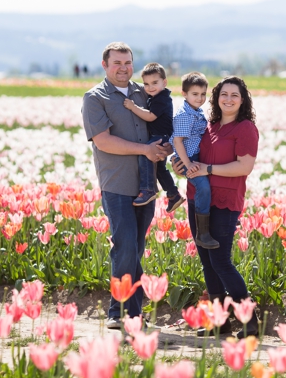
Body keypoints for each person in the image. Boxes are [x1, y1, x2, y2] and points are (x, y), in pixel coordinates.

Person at [81, 42, 171, 328]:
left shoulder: (143, 93)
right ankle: (118, 313)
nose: (123, 68)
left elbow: (160, 126)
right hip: (116, 182)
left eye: (128, 62)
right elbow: (103, 141)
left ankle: (133, 314)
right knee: (125, 246)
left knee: (136, 246)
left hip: (147, 183)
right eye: (117, 63)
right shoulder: (95, 98)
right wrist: (143, 150)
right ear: (105, 65)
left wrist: (166, 147)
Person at [177, 76, 260, 337]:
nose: (228, 99)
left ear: (243, 99)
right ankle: (219, 322)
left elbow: (244, 166)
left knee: (221, 260)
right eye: (224, 94)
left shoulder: (245, 128)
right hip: (197, 198)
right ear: (216, 97)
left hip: (225, 200)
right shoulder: (208, 125)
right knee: (206, 260)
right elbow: (194, 158)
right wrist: (182, 166)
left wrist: (208, 169)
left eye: (235, 95)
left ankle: (250, 321)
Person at [121, 63, 183, 209]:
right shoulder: (155, 97)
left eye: (155, 83)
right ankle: (173, 194)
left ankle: (148, 190)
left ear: (164, 82)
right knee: (160, 168)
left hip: (160, 136)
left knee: (145, 154)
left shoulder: (161, 98)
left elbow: (150, 116)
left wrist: (133, 107)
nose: (150, 87)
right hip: (162, 136)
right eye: (146, 84)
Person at [169, 72, 217, 249]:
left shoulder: (195, 112)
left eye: (203, 94)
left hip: (194, 157)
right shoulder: (184, 115)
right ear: (184, 93)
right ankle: (202, 232)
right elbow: (177, 141)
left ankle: (215, 221)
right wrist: (188, 164)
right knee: (203, 186)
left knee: (210, 184)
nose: (200, 98)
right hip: (187, 159)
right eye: (195, 94)